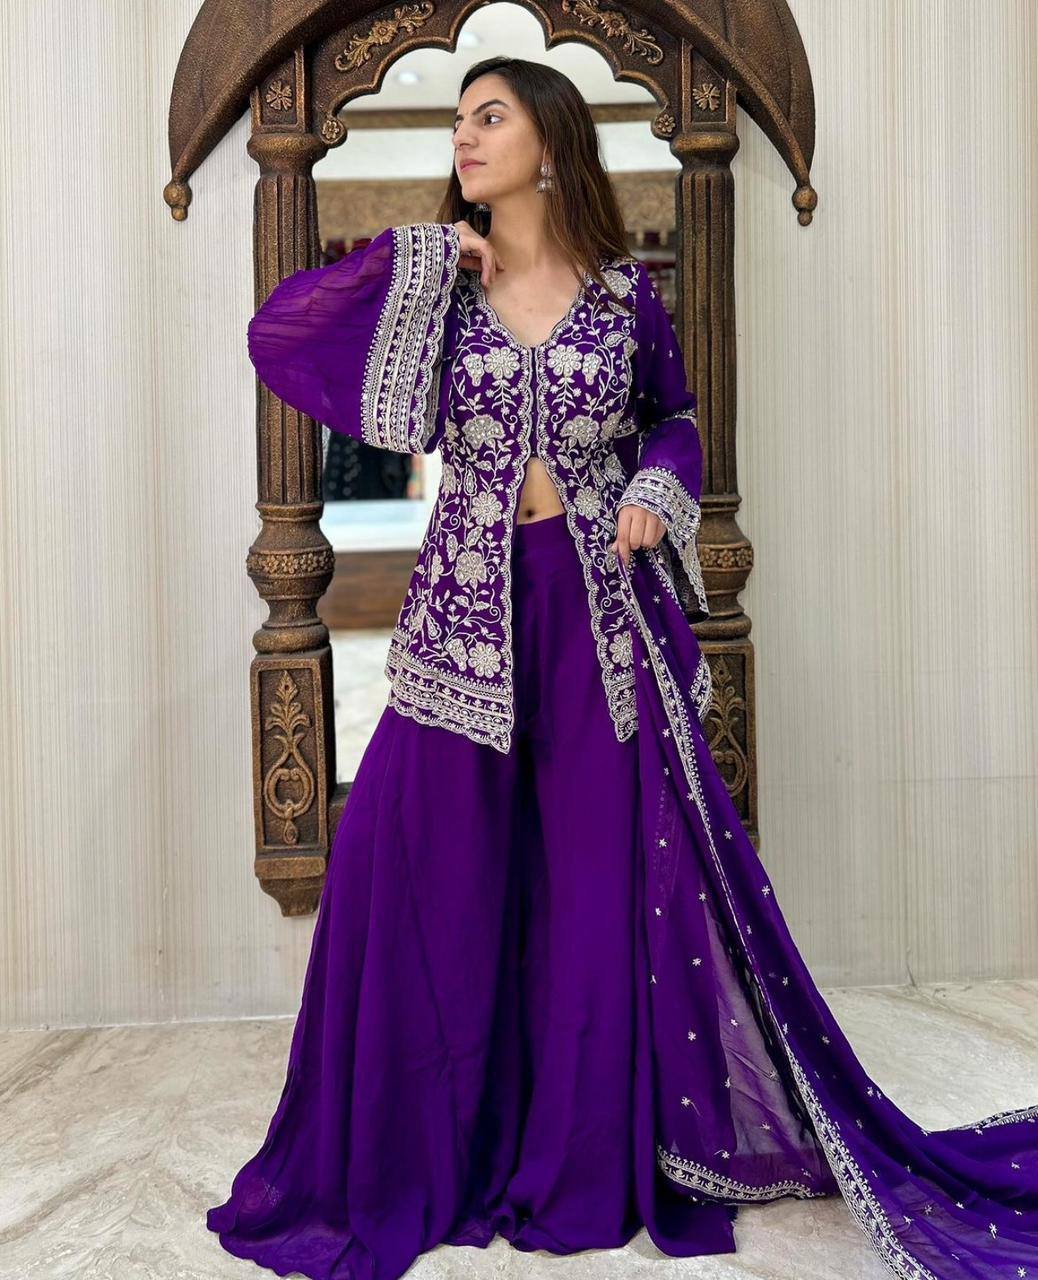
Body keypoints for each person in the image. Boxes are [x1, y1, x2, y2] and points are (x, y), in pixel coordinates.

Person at [206, 56, 1038, 1280]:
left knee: (595, 887)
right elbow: (280, 335)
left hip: (598, 625)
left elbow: (676, 418)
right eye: (457, 121)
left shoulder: (619, 298)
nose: (464, 137)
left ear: (549, 143)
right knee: (427, 869)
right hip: (464, 627)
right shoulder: (440, 289)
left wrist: (657, 483)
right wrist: (419, 257)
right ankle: (436, 1138)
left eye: (490, 116)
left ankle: (581, 1147)